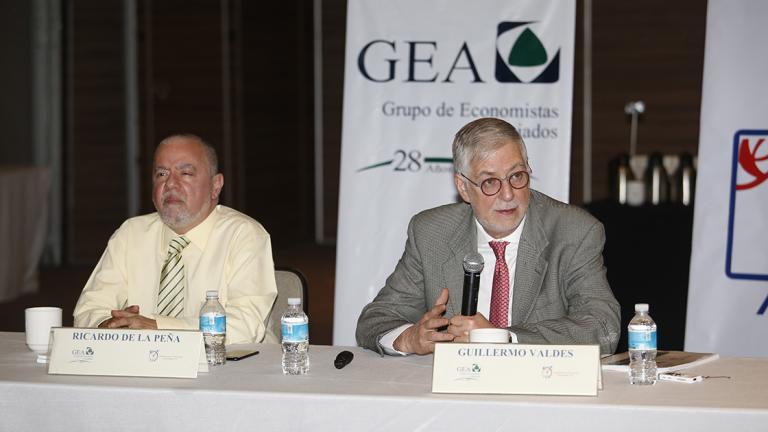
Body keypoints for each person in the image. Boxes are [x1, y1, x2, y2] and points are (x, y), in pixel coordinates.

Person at [356, 118, 620, 355]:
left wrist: (501, 339)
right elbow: (376, 319)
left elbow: (602, 326)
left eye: (517, 176)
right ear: (463, 188)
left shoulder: (573, 231)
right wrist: (409, 338)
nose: (508, 195)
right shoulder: (431, 233)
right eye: (490, 182)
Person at [74, 134, 278, 344]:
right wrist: (107, 326)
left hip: (229, 370)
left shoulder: (244, 235)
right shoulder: (131, 234)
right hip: (140, 367)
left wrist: (158, 328)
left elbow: (245, 326)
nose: (171, 183)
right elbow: (89, 309)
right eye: (161, 174)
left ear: (215, 186)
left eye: (186, 173)